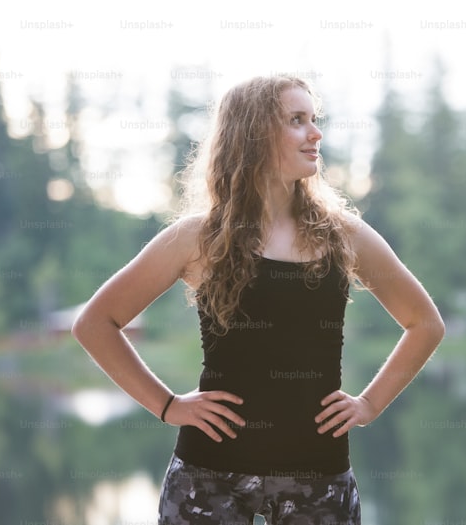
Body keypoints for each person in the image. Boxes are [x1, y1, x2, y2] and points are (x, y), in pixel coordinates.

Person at [73, 75, 445, 525]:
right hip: (209, 481)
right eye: (296, 120)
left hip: (319, 480)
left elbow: (425, 323)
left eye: (314, 119)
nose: (315, 133)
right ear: (253, 134)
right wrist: (168, 405)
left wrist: (369, 404)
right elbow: (95, 323)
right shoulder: (197, 237)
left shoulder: (344, 234)